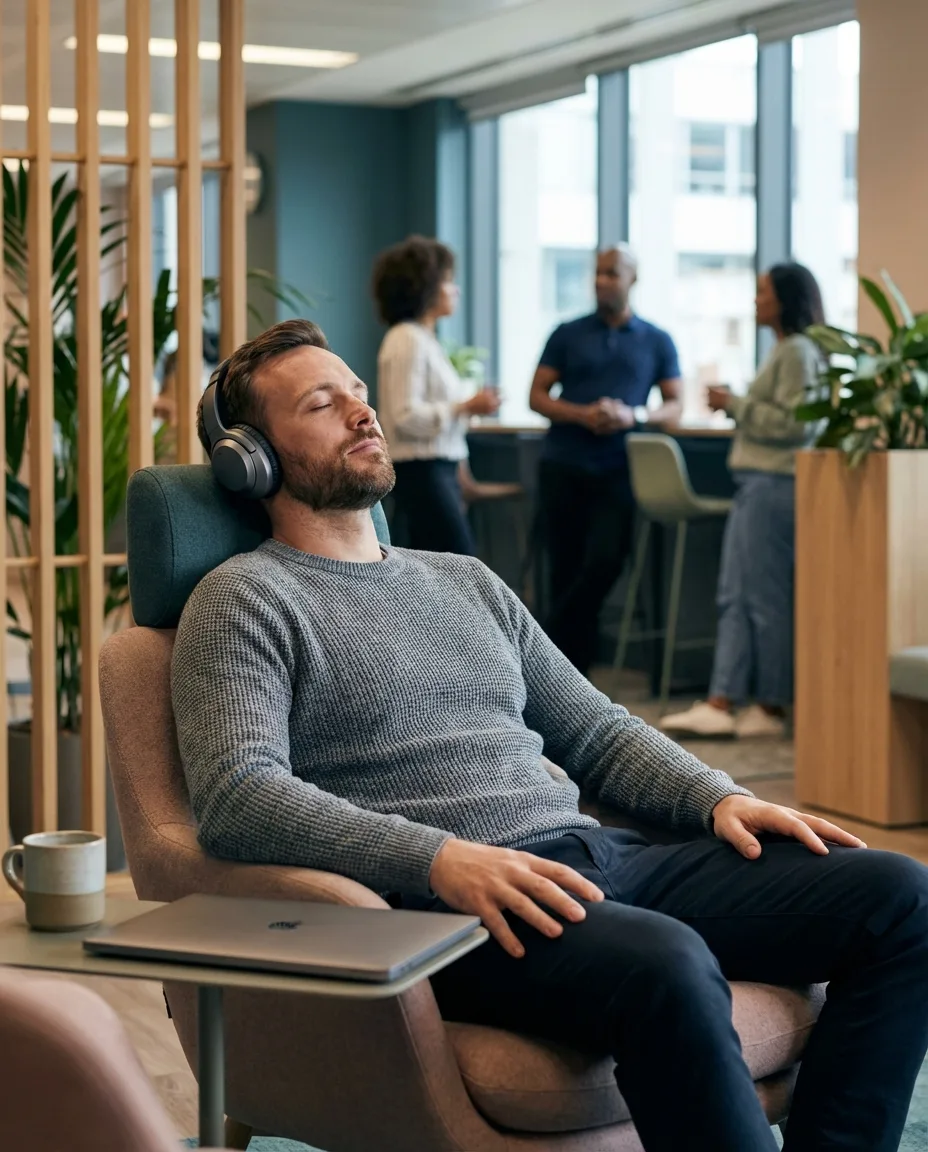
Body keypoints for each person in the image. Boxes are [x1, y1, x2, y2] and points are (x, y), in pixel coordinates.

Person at [174, 318, 928, 1152]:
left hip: (599, 858)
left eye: (359, 392)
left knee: (901, 898)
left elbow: (597, 731)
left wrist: (721, 798)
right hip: (454, 908)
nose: (363, 414)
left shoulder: (466, 580)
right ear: (254, 458)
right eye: (323, 404)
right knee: (666, 965)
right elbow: (238, 795)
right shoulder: (243, 600)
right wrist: (436, 857)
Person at [661, 263, 825, 740]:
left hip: (774, 486)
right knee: (737, 595)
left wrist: (735, 404)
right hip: (760, 485)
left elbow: (799, 424)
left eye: (763, 292)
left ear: (785, 299)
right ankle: (724, 698)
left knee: (762, 600)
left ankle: (767, 705)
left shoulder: (796, 351)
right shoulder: (787, 351)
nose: (756, 301)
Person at [529, 245, 683, 676]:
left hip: (619, 470)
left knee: (604, 561)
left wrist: (629, 415)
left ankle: (541, 652)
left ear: (633, 279)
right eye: (598, 274)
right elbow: (537, 396)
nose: (602, 282)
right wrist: (583, 413)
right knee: (563, 570)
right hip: (563, 465)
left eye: (612, 274)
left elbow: (674, 407)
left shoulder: (656, 340)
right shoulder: (566, 333)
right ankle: (569, 681)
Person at [372, 235, 500, 554]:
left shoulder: (425, 340)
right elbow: (404, 417)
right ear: (425, 287)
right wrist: (465, 406)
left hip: (436, 469)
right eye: (448, 281)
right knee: (459, 560)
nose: (455, 290)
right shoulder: (407, 339)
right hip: (422, 472)